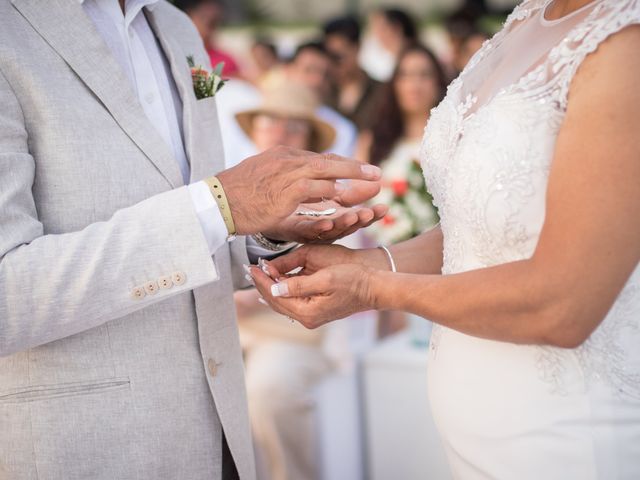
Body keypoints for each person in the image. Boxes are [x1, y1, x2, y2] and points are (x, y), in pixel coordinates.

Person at [251, 0, 640, 477]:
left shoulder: (625, 43)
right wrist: (366, 264)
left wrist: (372, 290)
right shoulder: (522, 24)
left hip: (564, 437)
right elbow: (475, 224)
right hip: (474, 429)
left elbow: (565, 303)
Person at [0, 1, 386, 479]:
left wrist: (268, 233)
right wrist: (223, 205)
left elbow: (197, 228)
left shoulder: (176, 29)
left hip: (221, 432)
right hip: (90, 448)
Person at [234, 83, 356, 480]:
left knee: (269, 391)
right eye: (270, 120)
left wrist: (252, 295)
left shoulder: (329, 201)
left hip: (297, 330)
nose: (279, 132)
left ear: (308, 143)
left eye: (293, 126)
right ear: (255, 130)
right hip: (230, 328)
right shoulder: (231, 191)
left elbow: (334, 275)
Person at [358, 44, 447, 245]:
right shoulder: (372, 140)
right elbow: (358, 202)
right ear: (394, 84)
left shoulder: (452, 139)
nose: (414, 85)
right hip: (384, 249)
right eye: (405, 75)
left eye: (424, 75)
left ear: (438, 82)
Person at [285, 42, 358, 157]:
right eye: (309, 70)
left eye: (326, 75)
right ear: (289, 70)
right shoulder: (256, 113)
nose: (317, 80)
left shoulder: (342, 130)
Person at [323, 16, 382, 131]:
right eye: (328, 57)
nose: (332, 64)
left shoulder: (382, 91)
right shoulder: (323, 91)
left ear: (357, 47)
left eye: (338, 57)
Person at [175, 0, 240, 77]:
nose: (210, 30)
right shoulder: (172, 55)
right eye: (206, 20)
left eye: (214, 23)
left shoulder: (225, 62)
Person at [360, 8, 418, 81]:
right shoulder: (376, 60)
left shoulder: (418, 59)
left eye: (380, 28)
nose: (376, 34)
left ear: (397, 28)